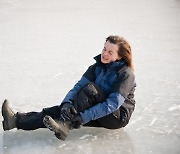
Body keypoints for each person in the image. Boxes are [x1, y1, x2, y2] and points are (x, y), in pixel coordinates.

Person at [2, 35, 136, 141]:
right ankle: (15, 121)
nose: (104, 54)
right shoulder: (96, 68)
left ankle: (66, 125)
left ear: (120, 56)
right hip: (98, 110)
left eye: (110, 52)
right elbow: (77, 87)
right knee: (59, 112)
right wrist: (67, 104)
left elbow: (112, 105)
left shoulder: (125, 74)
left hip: (116, 118)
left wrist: (82, 117)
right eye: (104, 49)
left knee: (89, 89)